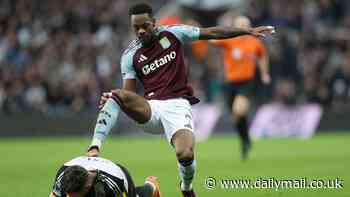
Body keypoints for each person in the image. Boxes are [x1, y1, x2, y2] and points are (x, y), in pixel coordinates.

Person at [86, 3, 275, 196]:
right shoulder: (129, 55)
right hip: (150, 109)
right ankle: (94, 147)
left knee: (185, 154)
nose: (141, 31)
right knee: (118, 93)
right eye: (136, 27)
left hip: (177, 105)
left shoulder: (173, 34)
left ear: (154, 23)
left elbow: (212, 32)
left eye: (145, 26)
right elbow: (130, 94)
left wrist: (246, 31)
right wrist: (116, 99)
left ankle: (186, 187)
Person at [211, 15, 271, 160]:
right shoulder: (230, 40)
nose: (243, 27)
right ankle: (245, 139)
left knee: (238, 110)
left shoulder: (254, 42)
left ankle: (245, 140)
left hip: (247, 82)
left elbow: (262, 56)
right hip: (230, 83)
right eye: (240, 25)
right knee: (237, 116)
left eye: (246, 25)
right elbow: (212, 40)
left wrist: (264, 73)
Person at [49, 156, 161, 197]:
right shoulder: (64, 175)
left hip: (119, 176)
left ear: (87, 187)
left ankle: (151, 188)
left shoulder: (113, 184)